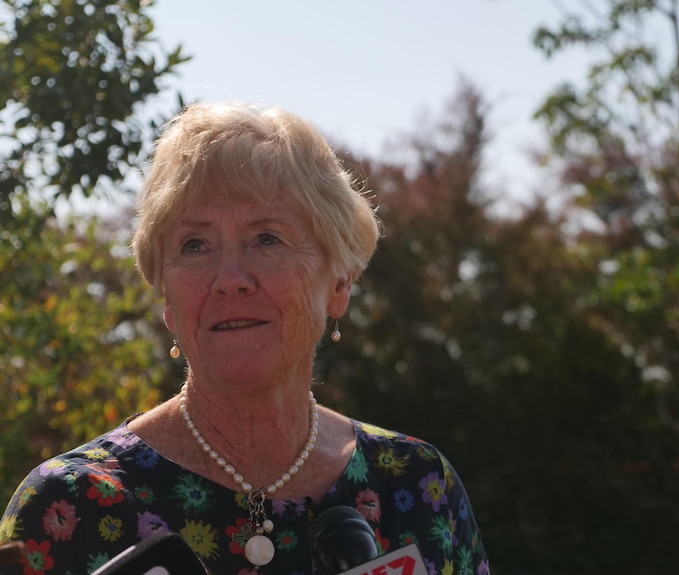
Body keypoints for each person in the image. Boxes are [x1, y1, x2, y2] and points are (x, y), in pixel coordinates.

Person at [0, 102, 490, 575]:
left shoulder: (419, 487)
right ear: (167, 297)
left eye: (267, 238)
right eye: (195, 245)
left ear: (339, 282)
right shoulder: (69, 507)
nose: (230, 277)